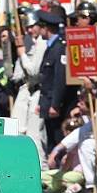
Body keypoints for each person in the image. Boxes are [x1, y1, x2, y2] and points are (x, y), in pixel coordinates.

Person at [10, 8, 48, 168]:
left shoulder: (42, 44)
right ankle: (22, 165)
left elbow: (33, 71)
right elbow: (16, 75)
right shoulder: (32, 42)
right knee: (16, 128)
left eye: (32, 26)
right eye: (28, 27)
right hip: (26, 90)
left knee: (35, 133)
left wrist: (22, 54)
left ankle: (41, 167)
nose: (30, 30)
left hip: (37, 90)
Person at [36, 10, 73, 152]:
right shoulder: (51, 47)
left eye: (40, 27)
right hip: (47, 101)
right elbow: (45, 77)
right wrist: (41, 103)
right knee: (50, 140)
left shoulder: (59, 48)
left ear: (46, 28)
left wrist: (55, 104)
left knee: (57, 140)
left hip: (55, 104)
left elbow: (59, 78)